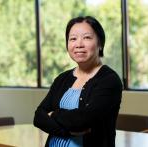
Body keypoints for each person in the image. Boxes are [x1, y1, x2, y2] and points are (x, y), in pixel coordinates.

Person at [33, 16, 122, 147]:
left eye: (87, 37)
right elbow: (38, 117)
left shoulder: (109, 80)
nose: (79, 44)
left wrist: (54, 115)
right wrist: (66, 130)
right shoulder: (62, 79)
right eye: (73, 39)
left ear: (100, 43)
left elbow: (85, 120)